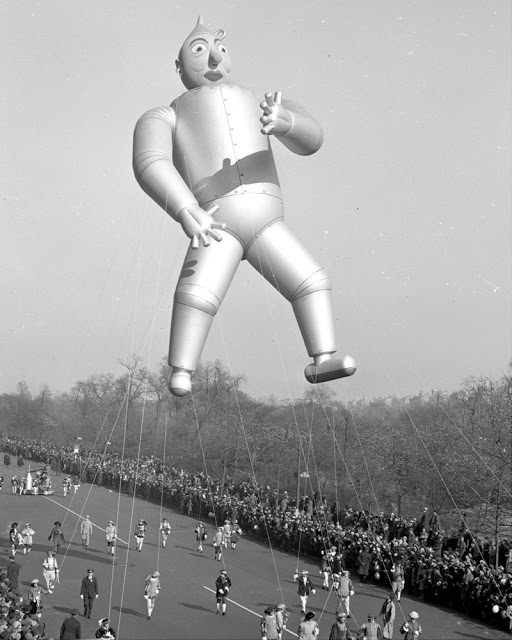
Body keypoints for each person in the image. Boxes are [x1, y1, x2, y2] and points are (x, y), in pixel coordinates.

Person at [132, 17, 356, 398]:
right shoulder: (165, 114)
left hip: (267, 219)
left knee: (312, 281)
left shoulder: (259, 102)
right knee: (196, 294)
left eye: (220, 49)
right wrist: (187, 210)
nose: (214, 59)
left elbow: (313, 137)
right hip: (215, 222)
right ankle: (182, 368)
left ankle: (322, 358)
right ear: (178, 66)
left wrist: (285, 123)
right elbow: (150, 161)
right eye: (199, 51)